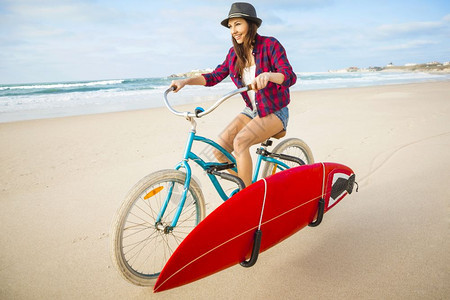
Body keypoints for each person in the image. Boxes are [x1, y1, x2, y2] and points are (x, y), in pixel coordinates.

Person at [170, 2, 297, 187]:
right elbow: (213, 77)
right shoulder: (233, 54)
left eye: (238, 24)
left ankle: (248, 201)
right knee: (219, 151)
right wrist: (185, 81)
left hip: (275, 110)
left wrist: (268, 75)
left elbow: (289, 76)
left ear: (250, 24)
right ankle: (247, 187)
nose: (233, 31)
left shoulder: (270, 45)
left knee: (240, 142)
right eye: (230, 26)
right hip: (251, 111)